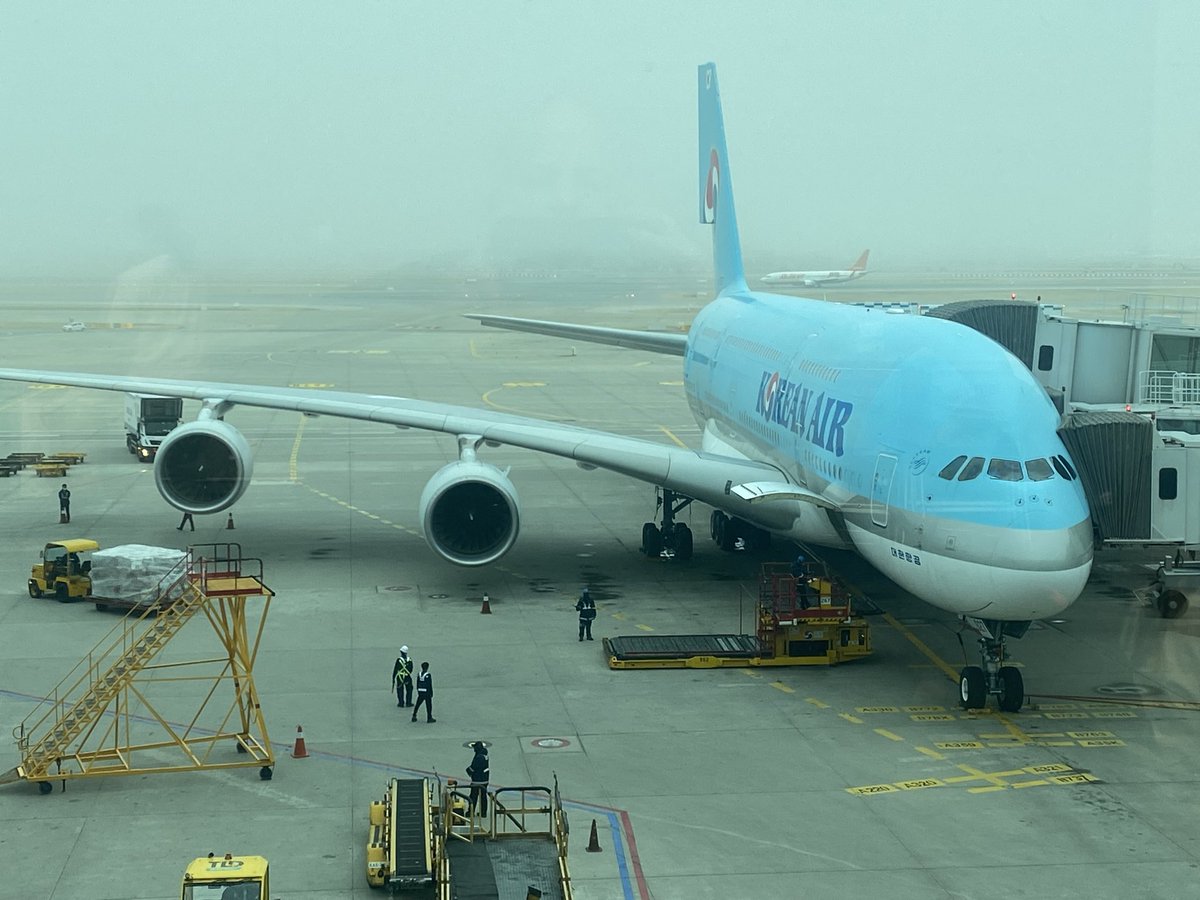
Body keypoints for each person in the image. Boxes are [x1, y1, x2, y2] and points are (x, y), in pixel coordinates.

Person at [466, 740, 490, 817]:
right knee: (483, 797)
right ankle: (483, 813)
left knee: (473, 797)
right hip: (485, 779)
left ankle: (470, 812)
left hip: (478, 780)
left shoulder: (479, 757)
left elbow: (473, 767)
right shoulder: (485, 755)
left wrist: (468, 770)